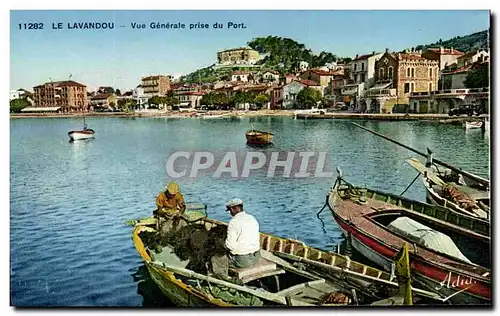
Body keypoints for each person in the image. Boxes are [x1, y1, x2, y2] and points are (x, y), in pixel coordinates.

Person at [224, 198, 261, 269]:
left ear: (232, 209)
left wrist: (222, 246)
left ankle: (224, 277)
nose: (230, 213)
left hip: (243, 261)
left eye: (229, 211)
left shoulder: (233, 222)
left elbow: (230, 246)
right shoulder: (252, 218)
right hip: (256, 257)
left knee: (216, 259)